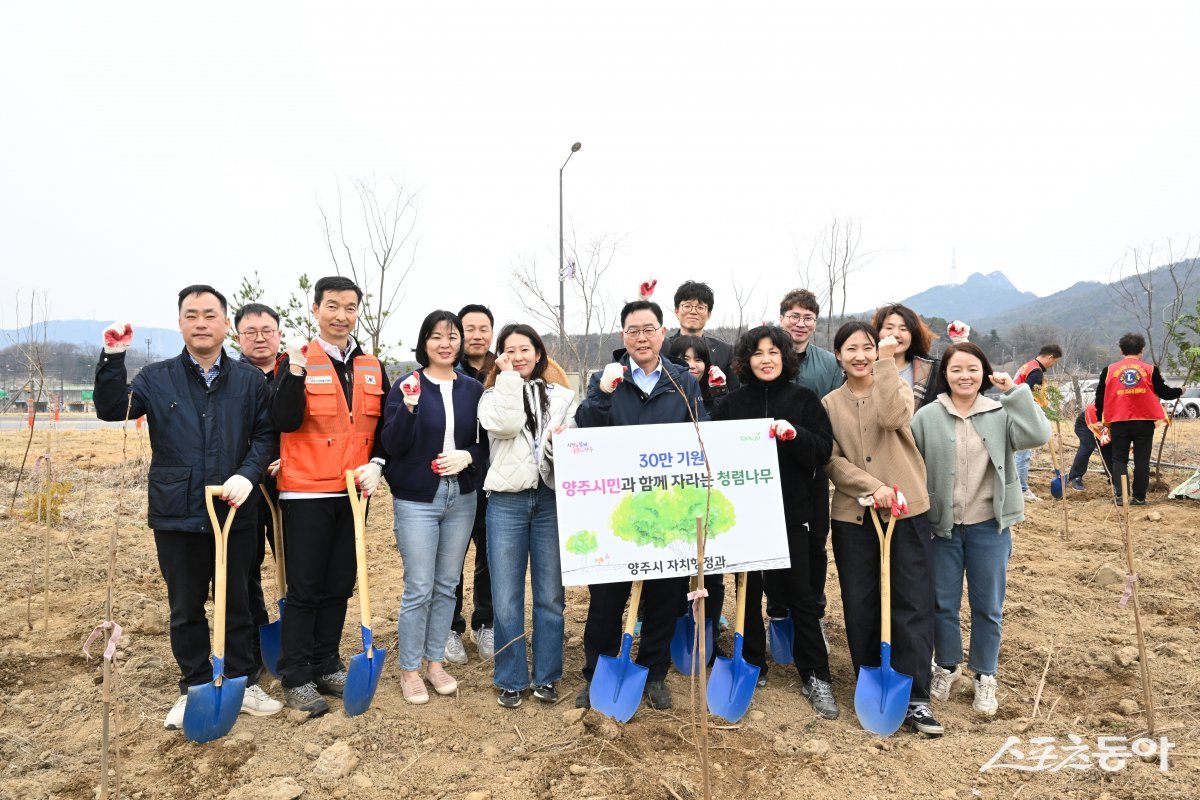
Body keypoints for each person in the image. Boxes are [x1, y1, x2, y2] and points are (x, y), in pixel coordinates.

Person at [94, 285, 282, 731]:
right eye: (192, 315)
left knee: (238, 601)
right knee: (185, 606)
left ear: (225, 324)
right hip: (177, 511)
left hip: (235, 508)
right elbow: (111, 408)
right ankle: (195, 685)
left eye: (210, 315)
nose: (201, 323)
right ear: (180, 323)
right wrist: (113, 358)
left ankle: (240, 681)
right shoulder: (156, 378)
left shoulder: (249, 380)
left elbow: (265, 436)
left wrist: (248, 474)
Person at [574, 298, 708, 711]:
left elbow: (700, 432)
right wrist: (602, 394)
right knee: (606, 598)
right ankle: (597, 672)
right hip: (616, 507)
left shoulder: (682, 380)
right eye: (633, 331)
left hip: (667, 507)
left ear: (663, 333)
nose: (642, 337)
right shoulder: (605, 378)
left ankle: (654, 672)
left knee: (666, 596)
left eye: (649, 329)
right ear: (623, 336)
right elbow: (586, 428)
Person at [271, 276, 390, 716]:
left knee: (340, 584)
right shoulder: (297, 360)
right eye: (333, 306)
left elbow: (385, 425)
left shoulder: (371, 365)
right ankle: (296, 674)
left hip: (354, 492)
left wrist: (378, 463)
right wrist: (295, 371)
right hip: (306, 492)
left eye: (350, 307)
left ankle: (326, 662)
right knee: (306, 588)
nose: (342, 315)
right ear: (316, 309)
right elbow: (284, 419)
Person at [911, 342, 1050, 718]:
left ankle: (985, 675)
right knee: (943, 603)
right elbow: (911, 462)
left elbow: (1038, 434)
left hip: (989, 526)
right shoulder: (927, 416)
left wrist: (1015, 391)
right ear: (945, 374)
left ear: (984, 372)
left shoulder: (1000, 412)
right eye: (956, 369)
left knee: (988, 606)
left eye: (972, 369)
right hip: (943, 528)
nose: (964, 376)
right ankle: (948, 665)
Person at [711, 325, 836, 715]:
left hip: (791, 515)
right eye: (757, 353)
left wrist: (795, 435)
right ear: (745, 360)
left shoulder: (803, 399)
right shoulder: (731, 405)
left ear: (785, 357)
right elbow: (712, 453)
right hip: (743, 518)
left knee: (801, 596)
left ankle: (815, 675)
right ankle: (752, 663)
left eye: (773, 352)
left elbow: (822, 451)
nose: (766, 360)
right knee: (747, 593)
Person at [822, 322, 939, 736]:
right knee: (861, 603)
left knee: (911, 601)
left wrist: (887, 362)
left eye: (867, 348)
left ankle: (917, 696)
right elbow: (831, 460)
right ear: (838, 355)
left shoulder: (897, 386)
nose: (860, 356)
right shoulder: (829, 403)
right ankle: (872, 684)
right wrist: (872, 487)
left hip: (906, 511)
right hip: (854, 516)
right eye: (850, 349)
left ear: (877, 352)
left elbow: (892, 416)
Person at [382, 310, 486, 704]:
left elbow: (487, 444)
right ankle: (409, 669)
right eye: (437, 336)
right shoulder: (406, 385)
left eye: (452, 336)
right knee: (419, 586)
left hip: (461, 497)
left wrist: (468, 456)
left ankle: (434, 662)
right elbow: (392, 444)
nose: (445, 343)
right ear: (424, 341)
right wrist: (408, 408)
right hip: (417, 500)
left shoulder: (473, 390)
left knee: (447, 585)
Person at [477, 324, 577, 708]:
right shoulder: (491, 396)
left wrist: (556, 445)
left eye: (525, 349)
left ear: (538, 353)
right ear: (500, 356)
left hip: (550, 499)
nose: (518, 356)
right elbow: (505, 426)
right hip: (507, 502)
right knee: (506, 597)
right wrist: (506, 380)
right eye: (509, 350)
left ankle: (547, 676)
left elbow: (571, 448)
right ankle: (511, 677)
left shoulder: (563, 397)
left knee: (550, 595)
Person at [775, 288, 842, 645]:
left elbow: (833, 415)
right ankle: (778, 615)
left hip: (813, 465)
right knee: (774, 543)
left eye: (808, 318)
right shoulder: (766, 356)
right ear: (781, 318)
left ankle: (813, 614)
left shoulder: (828, 365)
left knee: (815, 542)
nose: (800, 324)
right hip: (770, 468)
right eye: (794, 316)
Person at [234, 302, 283, 681]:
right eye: (250, 332)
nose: (260, 338)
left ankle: (297, 639)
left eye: (267, 330)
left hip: (291, 484)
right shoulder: (230, 377)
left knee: (294, 565)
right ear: (238, 338)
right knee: (245, 568)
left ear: (279, 334)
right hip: (243, 485)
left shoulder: (295, 372)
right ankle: (253, 646)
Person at [446, 303, 497, 665]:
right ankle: (449, 626)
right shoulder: (446, 370)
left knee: (492, 558)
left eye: (484, 329)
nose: (477, 336)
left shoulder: (506, 367)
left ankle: (486, 623)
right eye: (469, 329)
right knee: (451, 558)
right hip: (458, 480)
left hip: (498, 481)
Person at [1095, 333, 1183, 505]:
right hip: (1144, 422)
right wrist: (1180, 390)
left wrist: (1099, 418)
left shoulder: (1109, 370)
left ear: (1121, 351)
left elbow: (1099, 397)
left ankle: (1121, 496)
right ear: (1141, 350)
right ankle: (1140, 498)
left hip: (1119, 421)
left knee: (1119, 459)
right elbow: (1164, 392)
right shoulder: (1150, 370)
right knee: (1142, 460)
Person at [668, 280, 739, 391]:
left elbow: (735, 392)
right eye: (687, 306)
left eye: (700, 307)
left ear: (709, 314)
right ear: (676, 311)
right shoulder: (663, 347)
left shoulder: (725, 351)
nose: (693, 311)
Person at [1012, 344, 1061, 501]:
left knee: (1017, 453)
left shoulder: (1027, 366)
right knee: (1023, 454)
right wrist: (1034, 413)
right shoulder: (1036, 371)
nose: (1053, 365)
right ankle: (1021, 490)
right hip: (1023, 414)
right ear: (1050, 357)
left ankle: (1015, 487)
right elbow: (1024, 392)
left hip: (1016, 411)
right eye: (1055, 361)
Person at [872, 303, 941, 411]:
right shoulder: (864, 368)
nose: (895, 334)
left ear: (913, 335)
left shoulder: (933, 370)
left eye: (903, 329)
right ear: (877, 332)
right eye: (889, 327)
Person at [667, 335, 728, 416]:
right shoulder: (662, 392)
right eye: (685, 359)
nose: (691, 365)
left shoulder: (712, 395)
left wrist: (719, 390)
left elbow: (722, 420)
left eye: (698, 360)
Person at [1067, 402, 1113, 492]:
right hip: (1086, 424)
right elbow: (1097, 426)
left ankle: (1113, 477)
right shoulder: (1099, 406)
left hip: (1103, 427)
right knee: (1088, 446)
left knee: (1107, 449)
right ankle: (1075, 477)